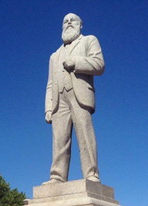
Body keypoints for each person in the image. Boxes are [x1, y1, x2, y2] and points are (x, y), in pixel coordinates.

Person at [44, 13, 105, 183]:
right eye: (65, 21)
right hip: (59, 99)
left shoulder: (89, 40)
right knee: (59, 139)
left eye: (73, 20)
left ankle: (91, 174)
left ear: (81, 25)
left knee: (85, 135)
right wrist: (48, 107)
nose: (69, 23)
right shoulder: (54, 55)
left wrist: (76, 63)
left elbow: (99, 64)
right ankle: (57, 176)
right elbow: (50, 83)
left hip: (80, 95)